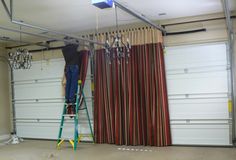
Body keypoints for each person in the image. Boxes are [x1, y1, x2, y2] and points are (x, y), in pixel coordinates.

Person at [62, 37, 82, 115]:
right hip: (73, 66)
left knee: (69, 83)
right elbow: (77, 44)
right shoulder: (73, 47)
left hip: (68, 67)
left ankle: (68, 99)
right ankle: (70, 98)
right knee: (73, 83)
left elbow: (77, 43)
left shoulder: (64, 50)